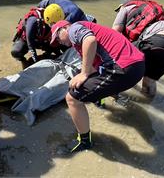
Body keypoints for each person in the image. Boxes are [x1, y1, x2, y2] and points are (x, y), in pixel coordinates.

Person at [50, 20, 145, 152]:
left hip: (122, 68)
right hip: (137, 66)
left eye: (58, 38)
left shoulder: (74, 29)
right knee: (87, 80)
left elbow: (90, 40)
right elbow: (95, 68)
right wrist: (85, 75)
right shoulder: (86, 33)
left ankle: (84, 142)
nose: (59, 43)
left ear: (64, 28)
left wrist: (84, 73)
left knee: (72, 98)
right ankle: (102, 100)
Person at [112, 0, 164, 97]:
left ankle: (112, 94)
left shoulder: (124, 8)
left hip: (157, 40)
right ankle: (148, 103)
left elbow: (114, 34)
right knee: (149, 80)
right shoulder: (154, 12)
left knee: (120, 64)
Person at [11, 0, 88, 63]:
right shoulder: (34, 21)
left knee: (65, 48)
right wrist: (34, 55)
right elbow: (29, 38)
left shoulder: (69, 20)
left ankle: (49, 53)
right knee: (16, 52)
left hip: (44, 39)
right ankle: (22, 60)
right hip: (32, 39)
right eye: (53, 25)